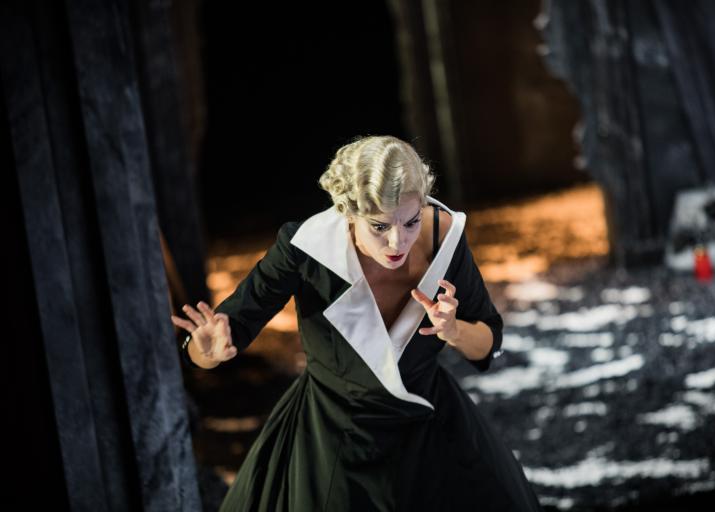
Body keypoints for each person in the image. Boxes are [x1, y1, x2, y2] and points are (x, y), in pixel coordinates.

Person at [171, 135, 542, 511]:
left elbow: (489, 341)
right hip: (333, 434)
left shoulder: (444, 238)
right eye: (379, 226)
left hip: (430, 424)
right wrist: (206, 353)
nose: (398, 242)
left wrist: (454, 330)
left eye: (411, 221)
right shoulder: (306, 248)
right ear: (348, 212)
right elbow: (224, 333)